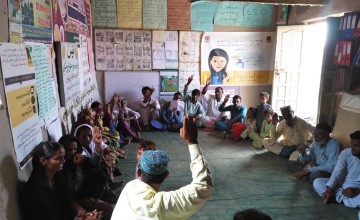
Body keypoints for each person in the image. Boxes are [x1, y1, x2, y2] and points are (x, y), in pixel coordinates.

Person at [111, 116, 214, 219]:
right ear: (166, 175)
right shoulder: (163, 205)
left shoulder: (129, 187)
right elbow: (204, 186)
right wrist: (192, 142)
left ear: (138, 172)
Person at [21, 141, 102, 220]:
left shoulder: (57, 178)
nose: (63, 161)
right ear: (43, 161)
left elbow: (69, 201)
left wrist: (85, 213)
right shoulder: (35, 191)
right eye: (58, 158)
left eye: (63, 157)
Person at [59, 135, 114, 220]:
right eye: (69, 150)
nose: (73, 152)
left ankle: (106, 192)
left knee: (99, 171)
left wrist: (98, 145)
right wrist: (79, 168)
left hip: (85, 195)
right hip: (73, 202)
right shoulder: (61, 168)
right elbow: (73, 190)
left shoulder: (78, 158)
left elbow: (94, 162)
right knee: (105, 212)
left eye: (75, 149)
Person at [313, 130, 360, 208]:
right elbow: (336, 173)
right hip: (342, 186)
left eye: (356, 145)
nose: (352, 148)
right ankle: (346, 200)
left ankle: (337, 199)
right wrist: (329, 189)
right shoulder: (346, 153)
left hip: (357, 190)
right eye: (351, 144)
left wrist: (357, 190)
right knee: (317, 182)